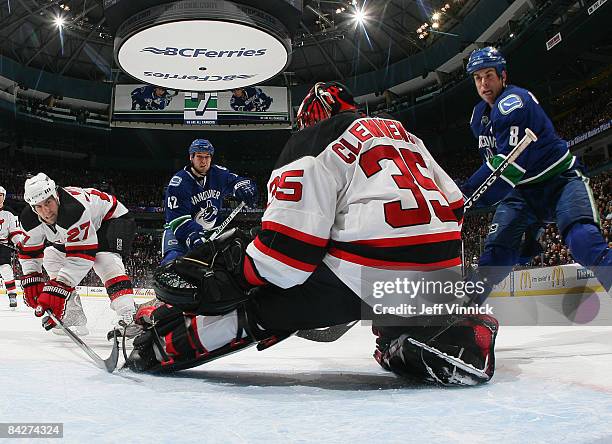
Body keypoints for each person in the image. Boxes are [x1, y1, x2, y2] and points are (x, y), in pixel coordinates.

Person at [128, 81, 499, 386]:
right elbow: (456, 207)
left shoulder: (312, 140)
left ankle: (161, 344)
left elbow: (285, 257)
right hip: (439, 276)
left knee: (260, 296)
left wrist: (233, 278)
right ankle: (445, 332)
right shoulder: (406, 135)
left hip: (358, 277)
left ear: (311, 117)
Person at [461, 47, 611, 296]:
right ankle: (465, 312)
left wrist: (465, 194)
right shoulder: (478, 117)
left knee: (583, 240)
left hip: (560, 181)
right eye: (478, 77)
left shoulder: (514, 103)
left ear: (502, 76)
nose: (484, 83)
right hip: (520, 194)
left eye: (489, 75)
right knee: (494, 256)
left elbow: (508, 168)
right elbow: (495, 164)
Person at [18, 173, 139, 336]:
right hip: (85, 229)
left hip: (112, 219)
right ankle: (73, 314)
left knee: (104, 259)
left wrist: (59, 288)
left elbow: (83, 255)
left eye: (48, 202)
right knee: (51, 256)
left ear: (56, 195)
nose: (46, 211)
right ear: (32, 208)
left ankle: (128, 314)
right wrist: (32, 277)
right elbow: (29, 252)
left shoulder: (73, 210)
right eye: (39, 206)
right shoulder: (28, 219)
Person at [161, 139, 259, 265]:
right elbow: (178, 220)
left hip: (211, 232)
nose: (204, 161)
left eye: (207, 157)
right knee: (172, 265)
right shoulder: (179, 183)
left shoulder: (218, 174)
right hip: (178, 232)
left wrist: (245, 188)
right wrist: (195, 237)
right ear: (191, 157)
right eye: (199, 157)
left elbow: (238, 181)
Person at [0, 186, 24, 309]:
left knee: (5, 269)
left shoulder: (9, 213)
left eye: (0, 195)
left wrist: (19, 243)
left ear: (4, 197)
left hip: (3, 246)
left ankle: (12, 294)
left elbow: (15, 232)